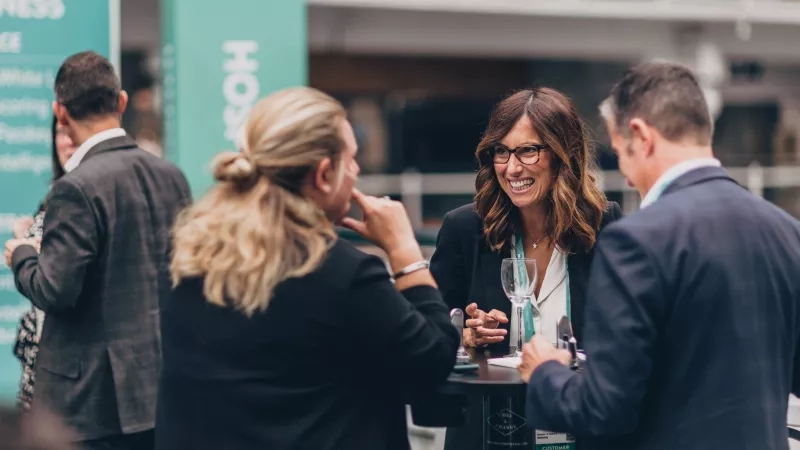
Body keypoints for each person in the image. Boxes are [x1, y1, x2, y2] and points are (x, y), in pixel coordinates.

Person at [155, 86, 459, 450]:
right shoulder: (341, 273)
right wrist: (404, 250)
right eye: (352, 159)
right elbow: (432, 360)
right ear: (324, 174)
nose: (358, 171)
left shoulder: (191, 256)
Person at [519, 61, 800, 450]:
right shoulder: (786, 231)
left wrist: (546, 372)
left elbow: (604, 409)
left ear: (640, 136)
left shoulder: (636, 241)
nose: (627, 174)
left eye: (620, 153)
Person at [3, 51, 192, 450]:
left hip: (88, 405)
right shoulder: (172, 176)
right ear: (121, 102)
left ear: (60, 113)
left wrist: (22, 256)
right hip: (160, 390)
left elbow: (55, 290)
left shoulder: (74, 187)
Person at [429, 87, 621, 449]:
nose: (512, 167)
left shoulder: (604, 224)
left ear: (564, 154)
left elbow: (626, 337)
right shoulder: (465, 229)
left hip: (581, 432)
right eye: (501, 151)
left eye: (528, 150)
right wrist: (464, 336)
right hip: (491, 433)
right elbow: (430, 330)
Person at [12, 117, 76, 412]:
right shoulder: (56, 195)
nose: (69, 141)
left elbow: (56, 282)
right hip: (40, 357)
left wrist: (24, 252)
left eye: (74, 131)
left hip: (66, 363)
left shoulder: (84, 198)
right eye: (61, 132)